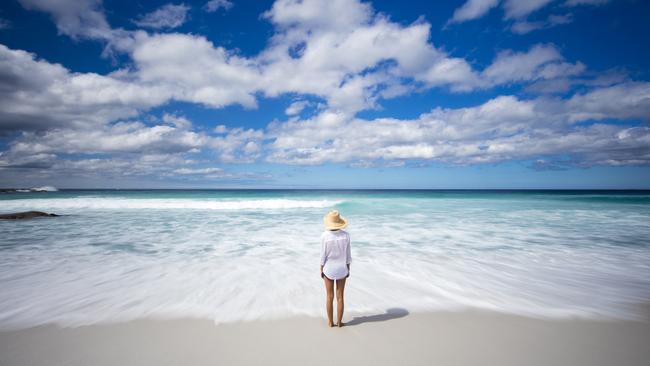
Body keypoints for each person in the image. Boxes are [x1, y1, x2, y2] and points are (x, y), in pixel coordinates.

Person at [320, 209, 351, 327]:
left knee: (329, 296)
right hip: (342, 268)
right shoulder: (346, 235)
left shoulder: (324, 236)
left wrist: (321, 268)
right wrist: (348, 268)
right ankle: (339, 322)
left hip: (328, 269)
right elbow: (348, 255)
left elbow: (323, 255)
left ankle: (330, 322)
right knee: (340, 297)